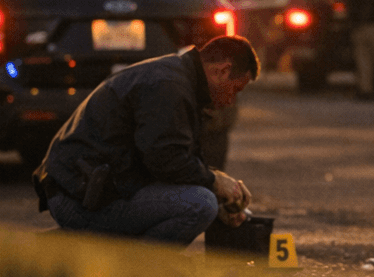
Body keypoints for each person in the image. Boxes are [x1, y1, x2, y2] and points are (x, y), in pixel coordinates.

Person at [33, 35, 259, 246]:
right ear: (222, 71)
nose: (231, 100)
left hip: (91, 190)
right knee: (200, 205)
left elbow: (175, 158)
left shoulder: (178, 79)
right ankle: (132, 269)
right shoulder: (168, 85)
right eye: (236, 89)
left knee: (206, 199)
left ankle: (70, 245)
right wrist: (214, 183)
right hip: (78, 199)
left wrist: (218, 189)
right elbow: (165, 161)